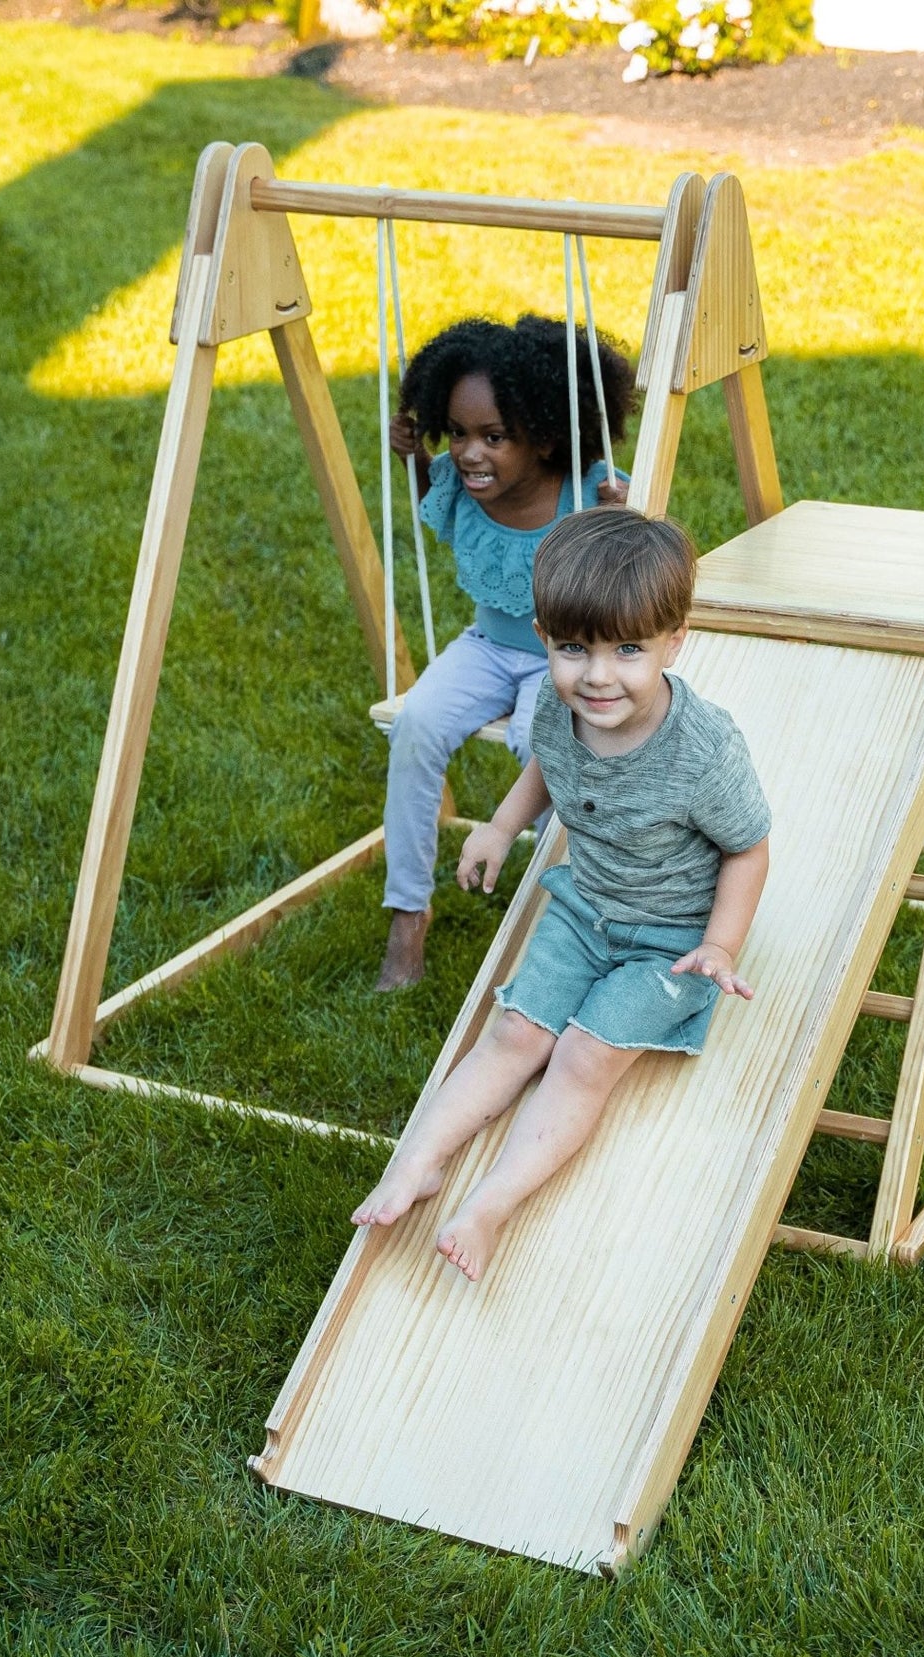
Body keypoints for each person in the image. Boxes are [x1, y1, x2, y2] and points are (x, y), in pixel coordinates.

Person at [351, 506, 772, 1281]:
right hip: (585, 909)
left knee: (580, 1054)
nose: (598, 675)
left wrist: (719, 944)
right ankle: (421, 1161)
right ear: (544, 635)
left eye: (628, 651)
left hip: (671, 944)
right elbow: (549, 763)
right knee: (514, 1034)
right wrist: (502, 825)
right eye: (574, 648)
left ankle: (491, 1206)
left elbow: (748, 847)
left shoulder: (703, 751)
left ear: (675, 642)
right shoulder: (557, 703)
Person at [376, 314, 637, 992]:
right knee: (416, 724)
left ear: (548, 436)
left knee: (539, 743)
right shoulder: (460, 485)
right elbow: (438, 499)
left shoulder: (591, 491)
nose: (469, 453)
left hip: (567, 660)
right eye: (457, 432)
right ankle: (408, 914)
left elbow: (640, 560)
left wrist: (628, 512)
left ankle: (573, 910)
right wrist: (411, 459)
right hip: (488, 646)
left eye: (494, 437)